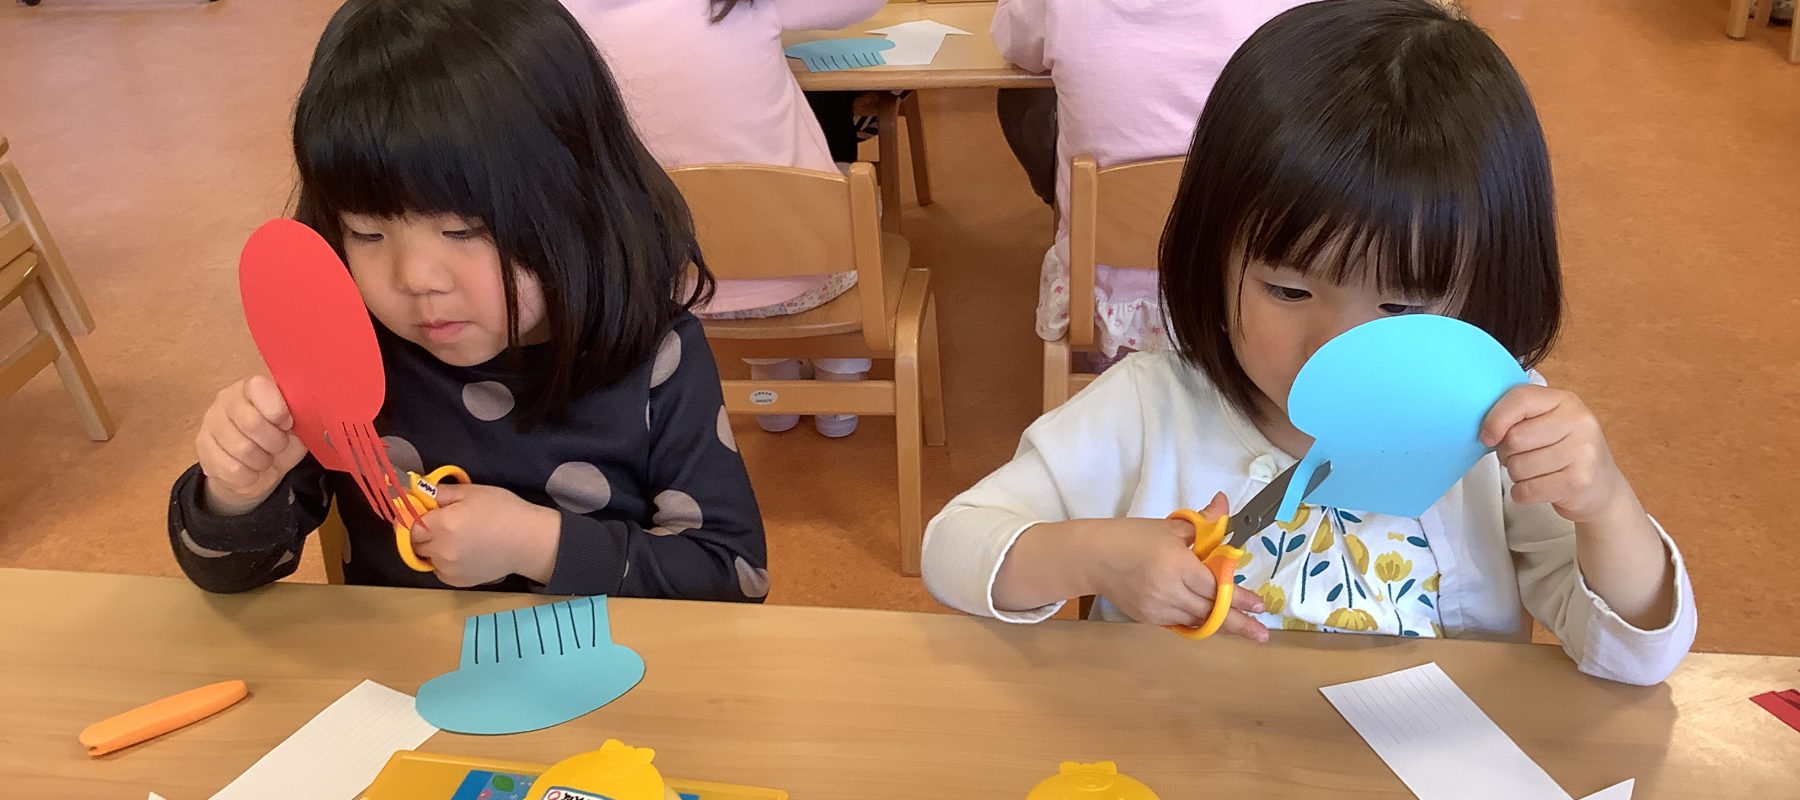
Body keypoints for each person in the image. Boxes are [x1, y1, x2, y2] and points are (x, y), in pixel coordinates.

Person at [922, 0, 1695, 686]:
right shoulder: (1148, 406)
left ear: (1484, 288)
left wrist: (1604, 506)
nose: (1337, 343)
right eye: (1288, 290)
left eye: (1401, 304)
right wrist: (1093, 556)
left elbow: (1637, 656)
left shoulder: (1491, 428)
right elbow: (954, 547)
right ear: (1211, 254)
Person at [170, 0, 769, 602]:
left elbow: (734, 576)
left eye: (464, 231)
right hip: (405, 687)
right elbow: (227, 573)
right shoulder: (348, 359)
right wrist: (235, 494)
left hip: (613, 679)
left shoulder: (654, 354)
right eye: (367, 233)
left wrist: (540, 544)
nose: (415, 278)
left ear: (579, 200)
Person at [566, 0, 888, 438]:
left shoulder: (561, 19)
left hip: (673, 287)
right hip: (809, 276)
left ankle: (771, 378)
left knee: (714, 220)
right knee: (853, 197)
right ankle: (842, 371)